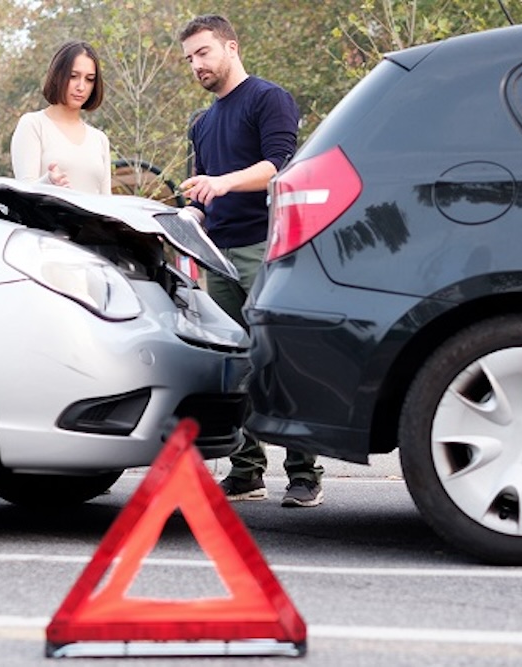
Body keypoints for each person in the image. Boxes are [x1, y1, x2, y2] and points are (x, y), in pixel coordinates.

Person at [177, 14, 324, 508]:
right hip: (217, 255)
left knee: (280, 358)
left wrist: (222, 182)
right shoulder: (201, 123)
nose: (196, 64)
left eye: (203, 52)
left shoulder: (269, 98)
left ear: (231, 47)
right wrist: (191, 211)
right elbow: (201, 187)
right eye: (190, 58)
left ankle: (305, 473)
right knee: (235, 364)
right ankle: (247, 472)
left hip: (267, 247)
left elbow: (279, 168)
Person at [10, 40, 112, 195]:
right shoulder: (33, 125)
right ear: (58, 76)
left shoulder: (99, 139)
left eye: (89, 79)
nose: (81, 87)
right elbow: (24, 193)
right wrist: (48, 182)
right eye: (73, 76)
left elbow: (107, 203)